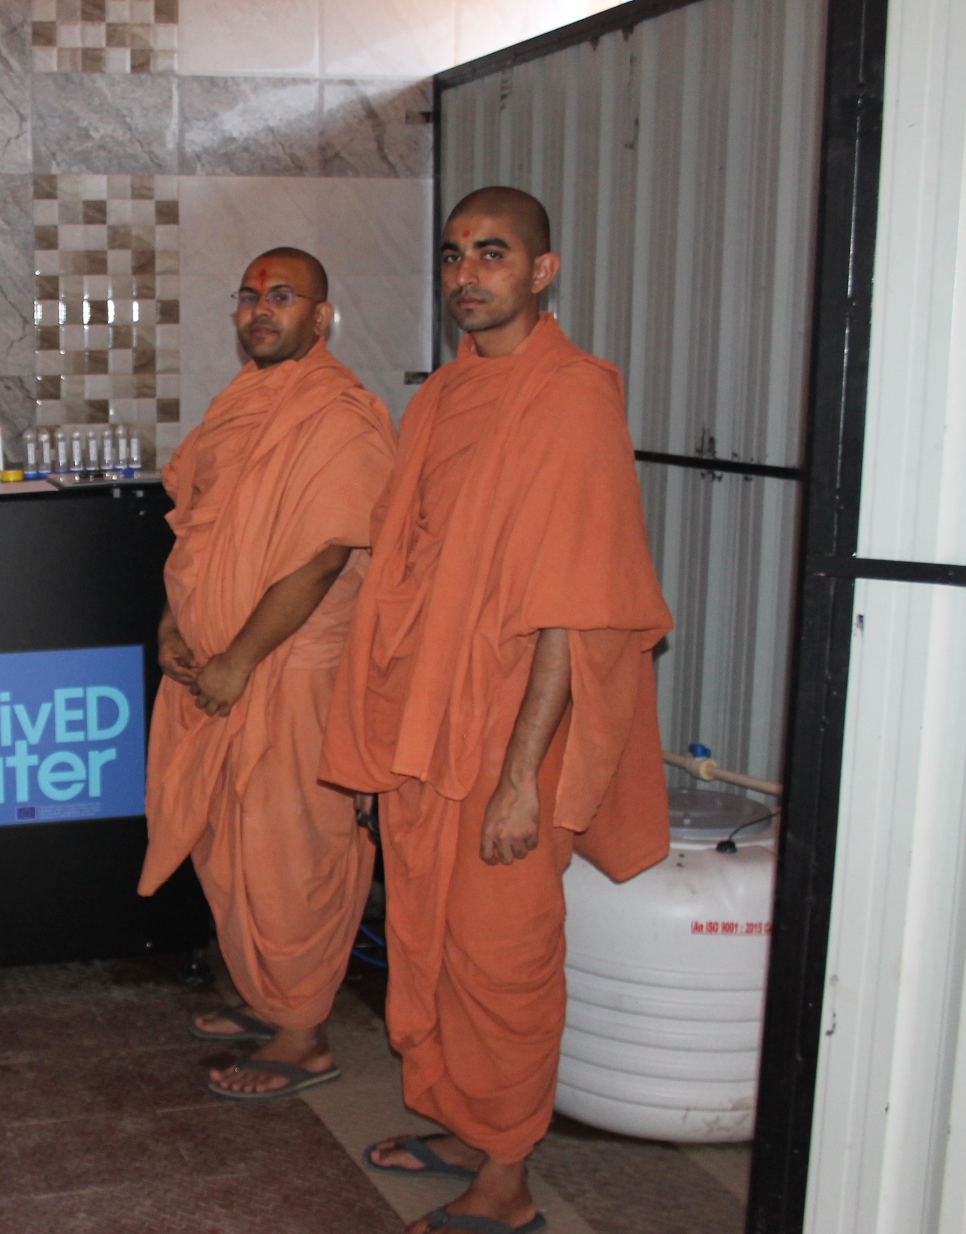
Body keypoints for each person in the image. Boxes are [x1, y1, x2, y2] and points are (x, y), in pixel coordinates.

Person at [321, 188, 672, 1234]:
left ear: (541, 270)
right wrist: (381, 739)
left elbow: (578, 608)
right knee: (428, 939)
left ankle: (507, 1177)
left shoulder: (571, 400)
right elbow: (405, 578)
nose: (465, 275)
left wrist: (522, 778)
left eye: (491, 254)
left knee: (503, 959)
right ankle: (465, 1123)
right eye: (451, 256)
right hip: (426, 724)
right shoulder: (441, 396)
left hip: (511, 735)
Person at [140, 248, 397, 1100]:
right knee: (227, 844)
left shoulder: (339, 415)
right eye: (249, 295)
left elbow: (322, 557)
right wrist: (174, 625)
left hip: (289, 674)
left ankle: (304, 1034)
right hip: (213, 671)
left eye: (282, 296)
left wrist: (240, 659)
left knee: (291, 848)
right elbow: (197, 532)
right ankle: (268, 994)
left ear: (320, 317)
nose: (260, 309)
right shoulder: (239, 403)